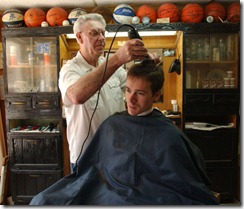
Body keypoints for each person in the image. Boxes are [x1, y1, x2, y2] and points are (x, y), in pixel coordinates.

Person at [30, 60, 219, 205]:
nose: (131, 99)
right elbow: (93, 167)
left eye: (140, 93)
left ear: (156, 96)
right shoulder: (113, 124)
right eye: (128, 90)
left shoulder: (169, 134)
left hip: (147, 196)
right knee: (43, 201)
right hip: (105, 187)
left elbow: (184, 179)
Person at [59, 13, 160, 173]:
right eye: (94, 33)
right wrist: (117, 59)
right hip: (86, 159)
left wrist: (149, 67)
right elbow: (76, 96)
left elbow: (135, 84)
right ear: (79, 37)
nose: (101, 38)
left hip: (116, 154)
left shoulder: (114, 68)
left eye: (103, 33)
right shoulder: (70, 70)